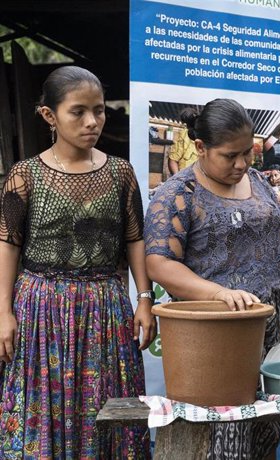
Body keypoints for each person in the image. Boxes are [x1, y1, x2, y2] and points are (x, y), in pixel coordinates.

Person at [144, 98, 280, 459]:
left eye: (247, 153)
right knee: (227, 430)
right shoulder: (178, 193)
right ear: (201, 147)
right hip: (218, 332)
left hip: (268, 322)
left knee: (266, 421)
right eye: (229, 156)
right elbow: (160, 264)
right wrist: (220, 292)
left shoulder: (257, 181)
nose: (241, 164)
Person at [0, 65, 155, 458]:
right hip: (41, 309)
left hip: (106, 306)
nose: (92, 121)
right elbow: (8, 244)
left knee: (107, 403)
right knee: (43, 401)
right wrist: (3, 312)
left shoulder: (121, 173)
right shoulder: (25, 176)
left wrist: (144, 298)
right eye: (78, 111)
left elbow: (135, 238)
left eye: (100, 110)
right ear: (49, 115)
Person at [168, 108, 199, 175]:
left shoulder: (208, 133)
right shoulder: (184, 134)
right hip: (186, 178)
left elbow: (172, 160)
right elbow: (173, 160)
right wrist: (179, 179)